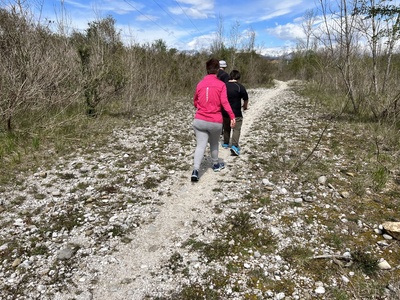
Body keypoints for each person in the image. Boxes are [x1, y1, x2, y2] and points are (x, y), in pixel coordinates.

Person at [191, 58, 236, 182]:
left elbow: (195, 102)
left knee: (200, 145)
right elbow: (225, 103)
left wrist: (201, 106)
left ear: (207, 70)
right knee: (214, 143)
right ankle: (216, 164)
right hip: (215, 121)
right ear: (217, 70)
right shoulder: (221, 85)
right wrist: (232, 116)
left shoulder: (200, 84)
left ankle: (195, 170)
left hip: (199, 120)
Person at [221, 70, 249, 156]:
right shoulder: (240, 87)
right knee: (236, 129)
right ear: (238, 77)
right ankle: (234, 145)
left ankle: (226, 143)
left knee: (226, 128)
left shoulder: (223, 86)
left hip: (225, 112)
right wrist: (245, 106)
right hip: (236, 113)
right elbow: (245, 99)